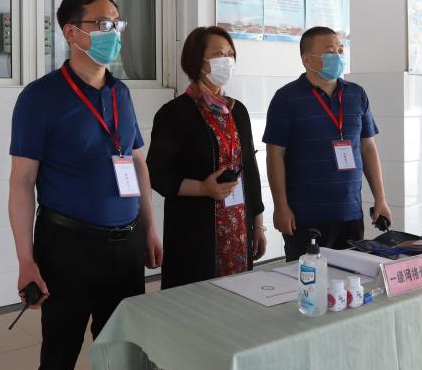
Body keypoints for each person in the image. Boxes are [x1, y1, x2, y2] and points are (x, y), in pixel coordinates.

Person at [8, 0, 163, 370]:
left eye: (117, 22)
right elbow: (21, 183)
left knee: (117, 361)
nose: (113, 32)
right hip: (67, 248)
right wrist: (25, 260)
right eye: (102, 23)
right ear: (71, 32)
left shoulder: (121, 92)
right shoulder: (40, 98)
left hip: (125, 245)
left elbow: (136, 162)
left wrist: (150, 227)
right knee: (59, 361)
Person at [147, 26, 266, 288]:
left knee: (238, 298)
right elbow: (157, 174)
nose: (227, 60)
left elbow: (250, 169)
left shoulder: (237, 110)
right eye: (219, 54)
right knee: (195, 303)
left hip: (238, 228)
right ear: (197, 61)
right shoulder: (174, 113)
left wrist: (258, 225)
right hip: (194, 232)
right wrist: (202, 188)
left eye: (230, 54)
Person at [263, 26, 392, 261]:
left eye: (340, 50)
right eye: (330, 51)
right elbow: (275, 155)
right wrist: (280, 206)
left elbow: (367, 147)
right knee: (307, 279)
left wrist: (380, 198)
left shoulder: (356, 94)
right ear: (307, 59)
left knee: (350, 277)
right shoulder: (286, 98)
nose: (338, 56)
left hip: (350, 212)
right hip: (305, 216)